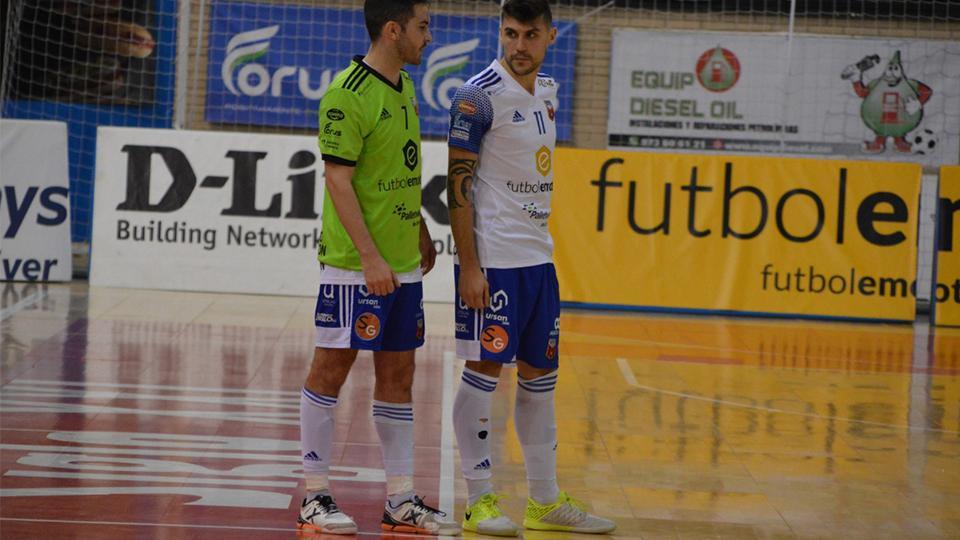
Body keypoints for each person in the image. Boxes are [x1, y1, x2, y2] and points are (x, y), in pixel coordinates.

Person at [445, 0, 616, 536]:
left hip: (538, 261)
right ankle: (478, 500)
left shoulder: (547, 93)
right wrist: (470, 267)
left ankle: (544, 501)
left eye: (530, 35)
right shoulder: (475, 97)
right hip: (493, 263)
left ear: (550, 37)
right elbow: (456, 186)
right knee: (484, 373)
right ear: (500, 33)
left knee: (542, 377)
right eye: (511, 34)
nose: (519, 46)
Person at [298, 0, 459, 535]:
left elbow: (399, 169)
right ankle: (314, 495)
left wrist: (416, 230)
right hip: (354, 267)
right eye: (422, 26)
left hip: (403, 267)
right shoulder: (348, 94)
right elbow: (338, 181)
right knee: (331, 369)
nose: (429, 37)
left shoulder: (404, 87)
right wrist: (369, 257)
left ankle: (400, 499)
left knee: (399, 374)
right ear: (393, 31)